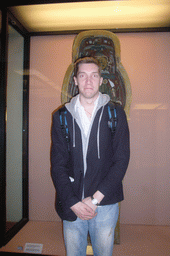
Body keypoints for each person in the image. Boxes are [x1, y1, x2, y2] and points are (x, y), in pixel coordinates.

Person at [51, 57, 130, 256]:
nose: (88, 81)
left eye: (94, 76)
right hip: (73, 202)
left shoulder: (116, 113)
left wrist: (94, 200)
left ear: (100, 80)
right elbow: (57, 165)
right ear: (75, 80)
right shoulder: (61, 117)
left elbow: (121, 160)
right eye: (83, 76)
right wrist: (73, 202)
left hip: (105, 203)